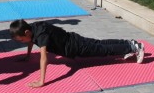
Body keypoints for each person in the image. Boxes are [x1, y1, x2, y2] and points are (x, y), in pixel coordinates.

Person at [9, 19, 145, 88]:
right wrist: (28, 55)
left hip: (76, 47)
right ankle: (129, 44)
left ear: (26, 32)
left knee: (103, 50)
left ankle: (135, 48)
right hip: (74, 39)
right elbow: (31, 41)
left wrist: (41, 81)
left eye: (21, 40)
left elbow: (44, 58)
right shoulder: (32, 28)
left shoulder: (40, 34)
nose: (22, 42)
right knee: (100, 44)